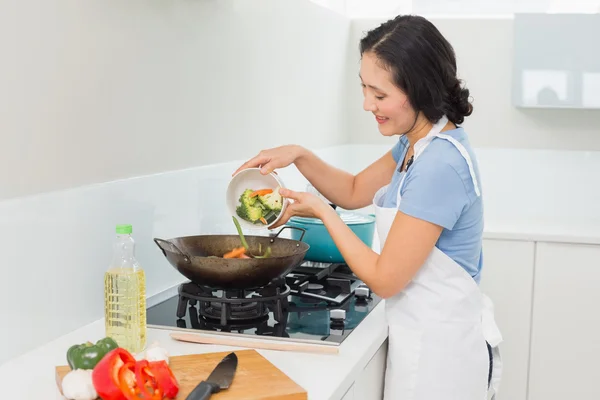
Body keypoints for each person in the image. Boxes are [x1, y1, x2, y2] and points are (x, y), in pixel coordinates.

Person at [233, 15, 502, 400]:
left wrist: (324, 212)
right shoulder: (418, 142)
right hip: (422, 340)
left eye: (379, 95)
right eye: (364, 89)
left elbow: (385, 278)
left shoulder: (440, 165)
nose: (366, 104)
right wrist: (299, 155)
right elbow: (356, 189)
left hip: (441, 362)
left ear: (420, 89)